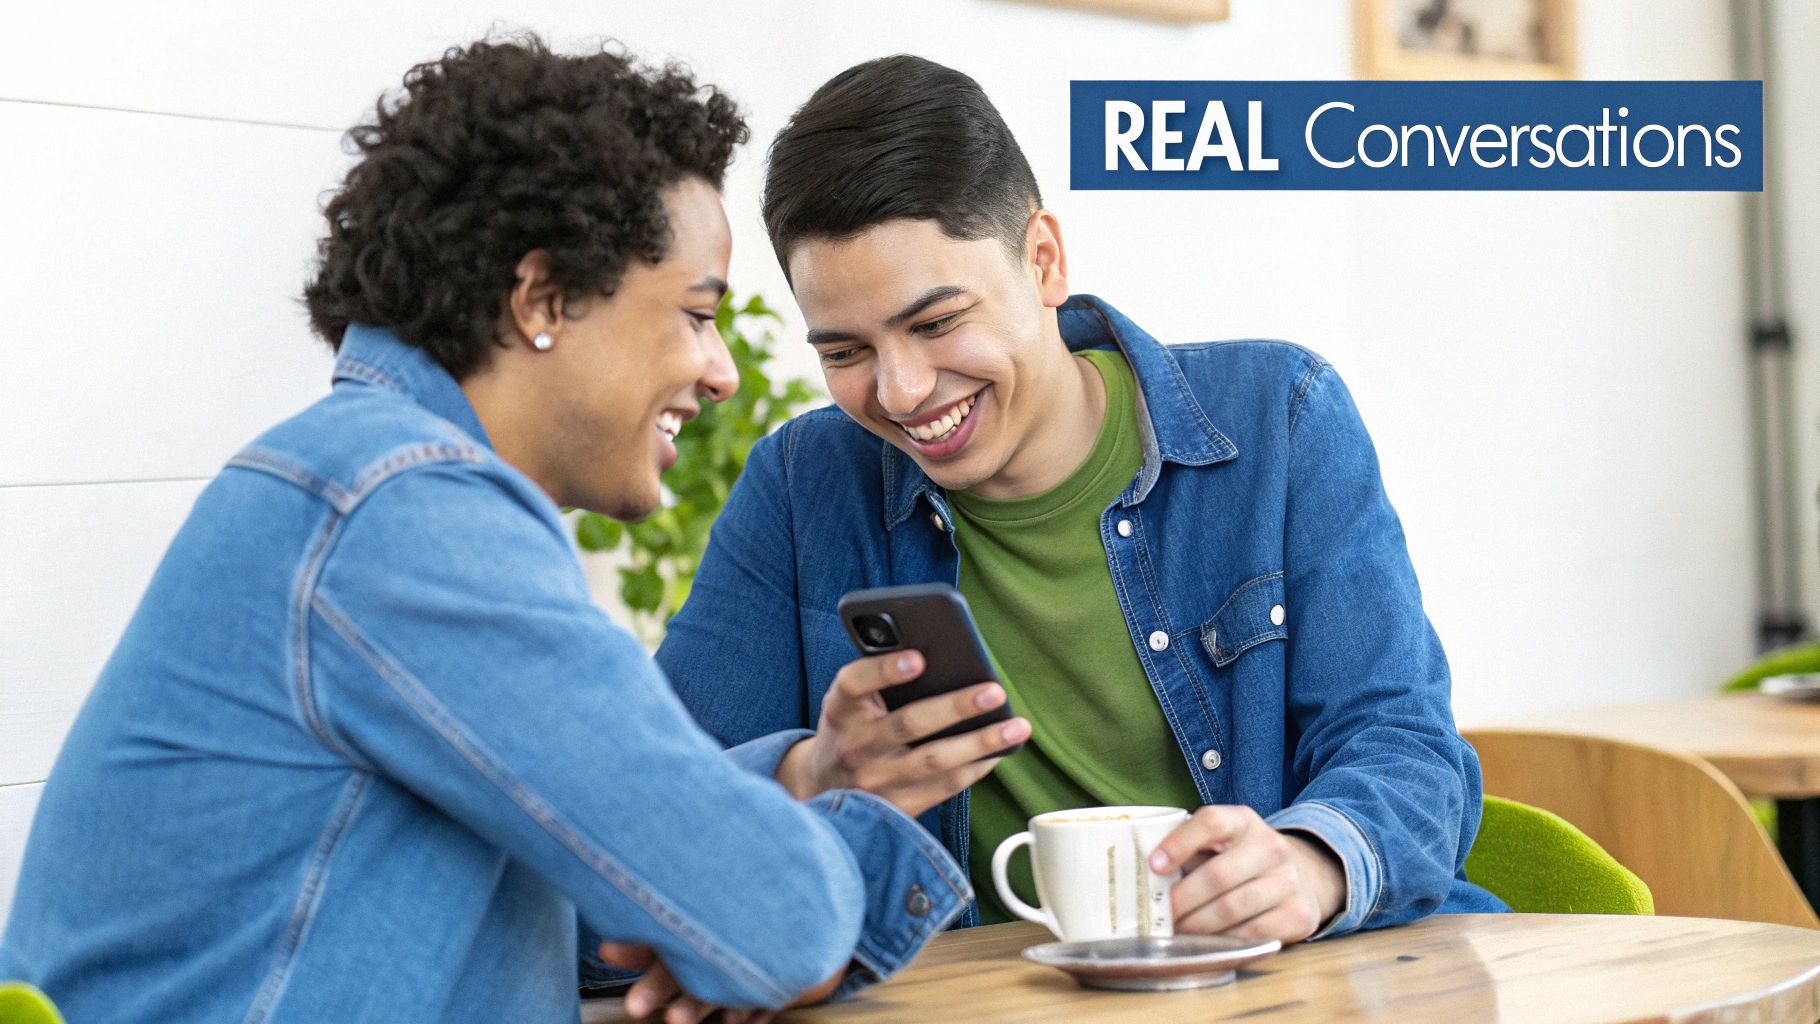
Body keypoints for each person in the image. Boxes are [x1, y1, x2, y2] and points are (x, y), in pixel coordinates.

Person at [0, 37, 967, 1024]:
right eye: (694, 313)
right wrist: (756, 886)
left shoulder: (354, 481)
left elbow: (611, 829)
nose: (721, 373)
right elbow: (777, 925)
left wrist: (780, 799)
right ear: (542, 298)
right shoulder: (408, 515)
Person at [658, 55, 1507, 943]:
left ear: (1043, 260)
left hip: (1303, 984)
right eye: (844, 352)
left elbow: (1405, 746)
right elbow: (646, 811)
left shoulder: (1280, 417)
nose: (902, 391)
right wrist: (805, 776)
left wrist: (1312, 864)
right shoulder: (804, 487)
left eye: (938, 322)